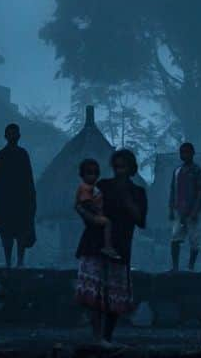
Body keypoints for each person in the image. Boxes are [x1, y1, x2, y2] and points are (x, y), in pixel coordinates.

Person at [74, 149, 148, 347]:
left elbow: (140, 220)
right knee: (95, 295)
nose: (119, 170)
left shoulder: (138, 192)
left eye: (123, 166)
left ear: (131, 168)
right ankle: (98, 338)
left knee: (115, 296)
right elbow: (86, 205)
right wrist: (84, 211)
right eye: (116, 166)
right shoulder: (103, 186)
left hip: (121, 247)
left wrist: (126, 199)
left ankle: (106, 338)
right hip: (96, 243)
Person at [0, 123, 36, 268]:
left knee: (17, 233)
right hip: (8, 202)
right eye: (11, 134)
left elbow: (28, 180)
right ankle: (12, 262)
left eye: (13, 134)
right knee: (9, 234)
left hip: (18, 201)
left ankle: (17, 262)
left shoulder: (19, 154)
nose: (12, 137)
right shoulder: (3, 155)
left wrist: (31, 201)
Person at [169, 142, 201, 271]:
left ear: (192, 153)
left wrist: (195, 211)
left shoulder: (198, 171)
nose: (184, 155)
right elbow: (173, 190)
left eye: (186, 152)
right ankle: (175, 267)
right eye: (182, 152)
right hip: (179, 210)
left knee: (194, 240)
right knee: (175, 239)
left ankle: (191, 267)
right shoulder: (177, 171)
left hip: (192, 211)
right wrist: (171, 209)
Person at [76, 158, 121, 260]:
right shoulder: (85, 188)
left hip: (94, 216)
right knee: (107, 223)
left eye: (95, 173)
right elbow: (86, 203)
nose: (93, 176)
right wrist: (96, 209)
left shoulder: (93, 188)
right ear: (82, 175)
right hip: (92, 217)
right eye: (89, 173)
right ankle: (107, 247)